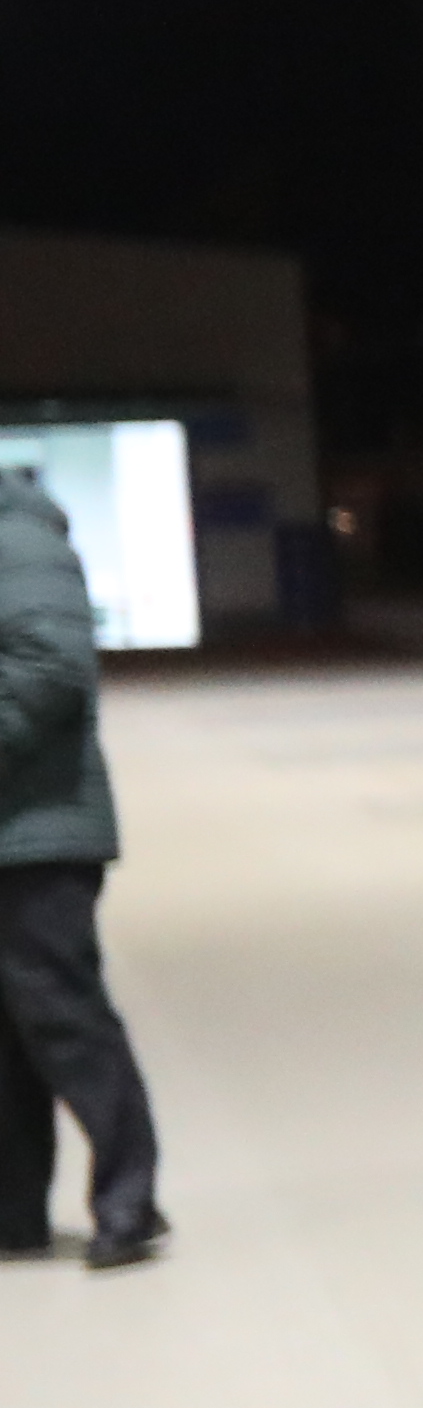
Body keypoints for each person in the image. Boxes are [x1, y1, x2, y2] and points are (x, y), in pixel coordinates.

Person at [0, 461, 168, 1269]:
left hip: (38, 830)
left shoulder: (20, 541)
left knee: (63, 1018)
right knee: (7, 1037)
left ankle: (129, 1200)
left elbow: (50, 673)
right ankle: (14, 1215)